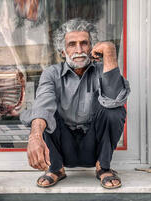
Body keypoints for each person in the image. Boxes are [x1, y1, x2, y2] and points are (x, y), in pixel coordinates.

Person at [20, 18, 130, 189]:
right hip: (64, 146)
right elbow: (43, 105)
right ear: (63, 51)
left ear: (91, 47)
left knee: (114, 110)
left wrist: (109, 53)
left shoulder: (103, 70)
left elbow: (116, 98)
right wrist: (35, 136)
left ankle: (103, 167)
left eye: (84, 43)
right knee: (42, 115)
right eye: (72, 44)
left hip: (94, 145)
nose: (79, 50)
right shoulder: (51, 73)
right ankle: (56, 168)